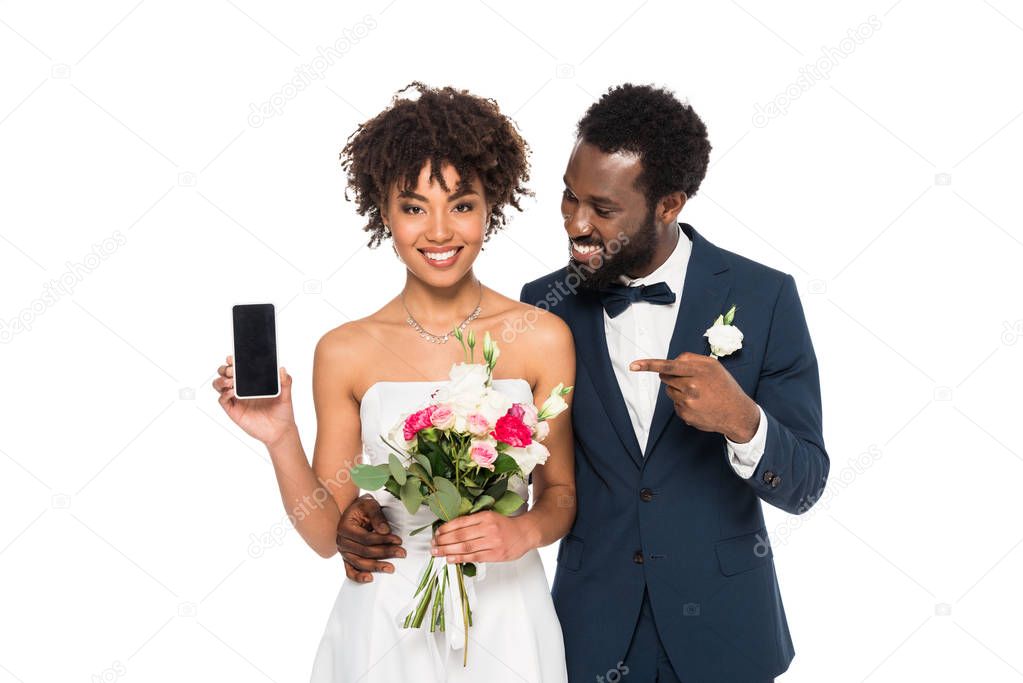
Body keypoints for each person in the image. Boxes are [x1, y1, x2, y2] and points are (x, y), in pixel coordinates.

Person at [340, 83, 830, 682]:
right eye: (569, 198)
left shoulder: (765, 296)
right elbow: (517, 474)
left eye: (602, 208)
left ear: (669, 204)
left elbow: (806, 485)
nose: (576, 223)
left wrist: (742, 422)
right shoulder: (543, 309)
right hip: (588, 636)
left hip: (727, 636)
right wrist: (381, 506)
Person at [213, 82, 576, 682]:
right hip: (386, 615)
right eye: (413, 207)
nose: (439, 232)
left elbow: (560, 494)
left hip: (507, 613)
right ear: (384, 212)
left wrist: (520, 531)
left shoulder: (542, 337)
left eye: (461, 205)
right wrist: (280, 437)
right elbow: (327, 535)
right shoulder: (345, 349)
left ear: (492, 207)